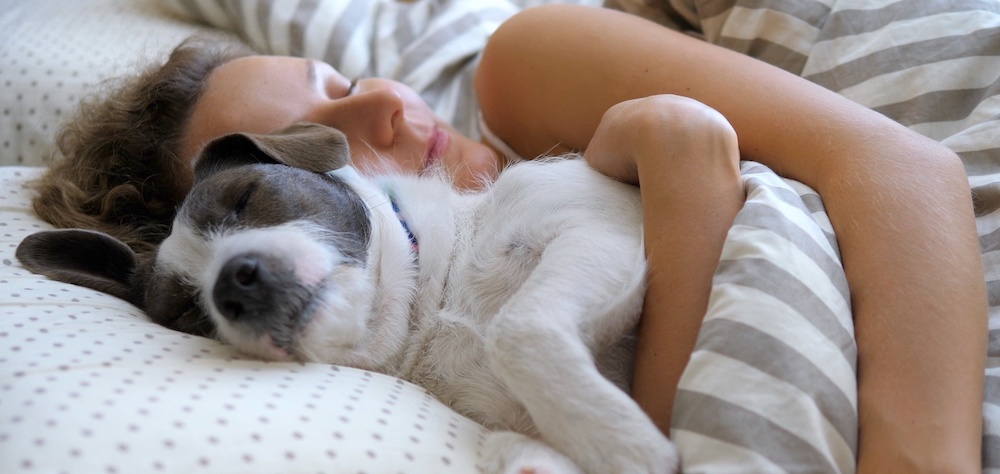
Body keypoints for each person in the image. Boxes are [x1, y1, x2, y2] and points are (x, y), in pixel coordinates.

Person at [31, 4, 985, 473]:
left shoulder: (519, 68)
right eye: (323, 143)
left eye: (340, 83)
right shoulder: (420, 336)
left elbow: (903, 169)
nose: (384, 109)